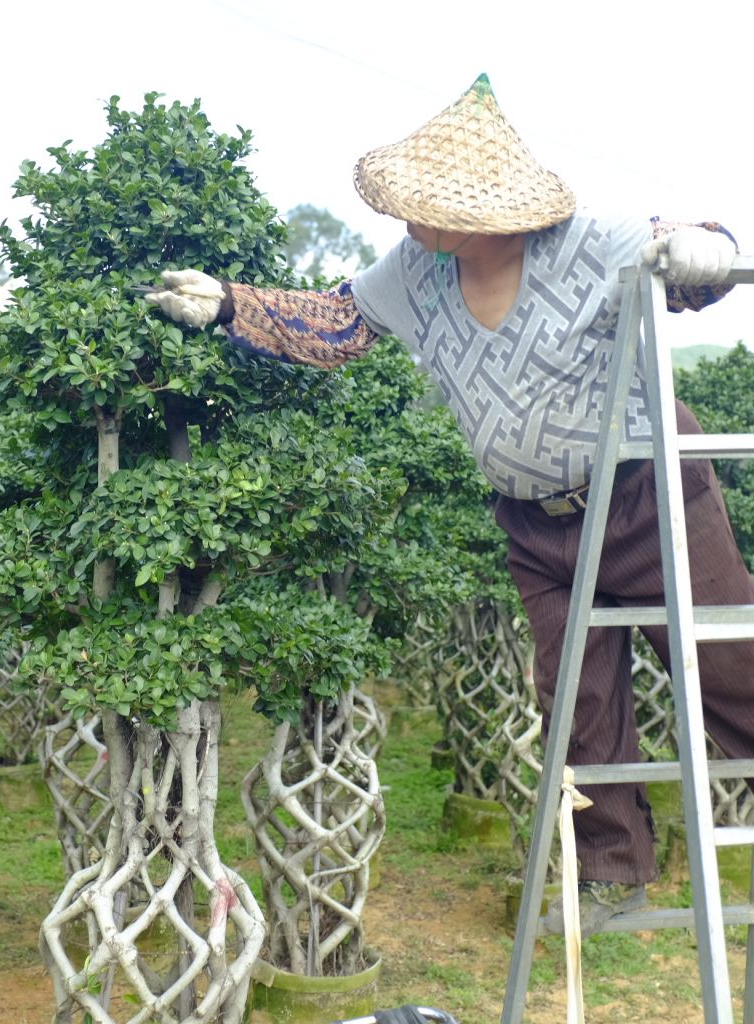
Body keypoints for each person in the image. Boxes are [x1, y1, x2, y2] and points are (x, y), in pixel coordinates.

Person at [144, 72, 754, 939]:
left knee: (725, 666)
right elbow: (339, 323)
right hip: (536, 522)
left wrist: (704, 255)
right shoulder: (416, 271)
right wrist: (233, 306)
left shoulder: (590, 242)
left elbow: (690, 252)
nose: (412, 222)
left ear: (495, 210)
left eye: (433, 207)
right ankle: (613, 871)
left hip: (645, 493)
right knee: (574, 695)